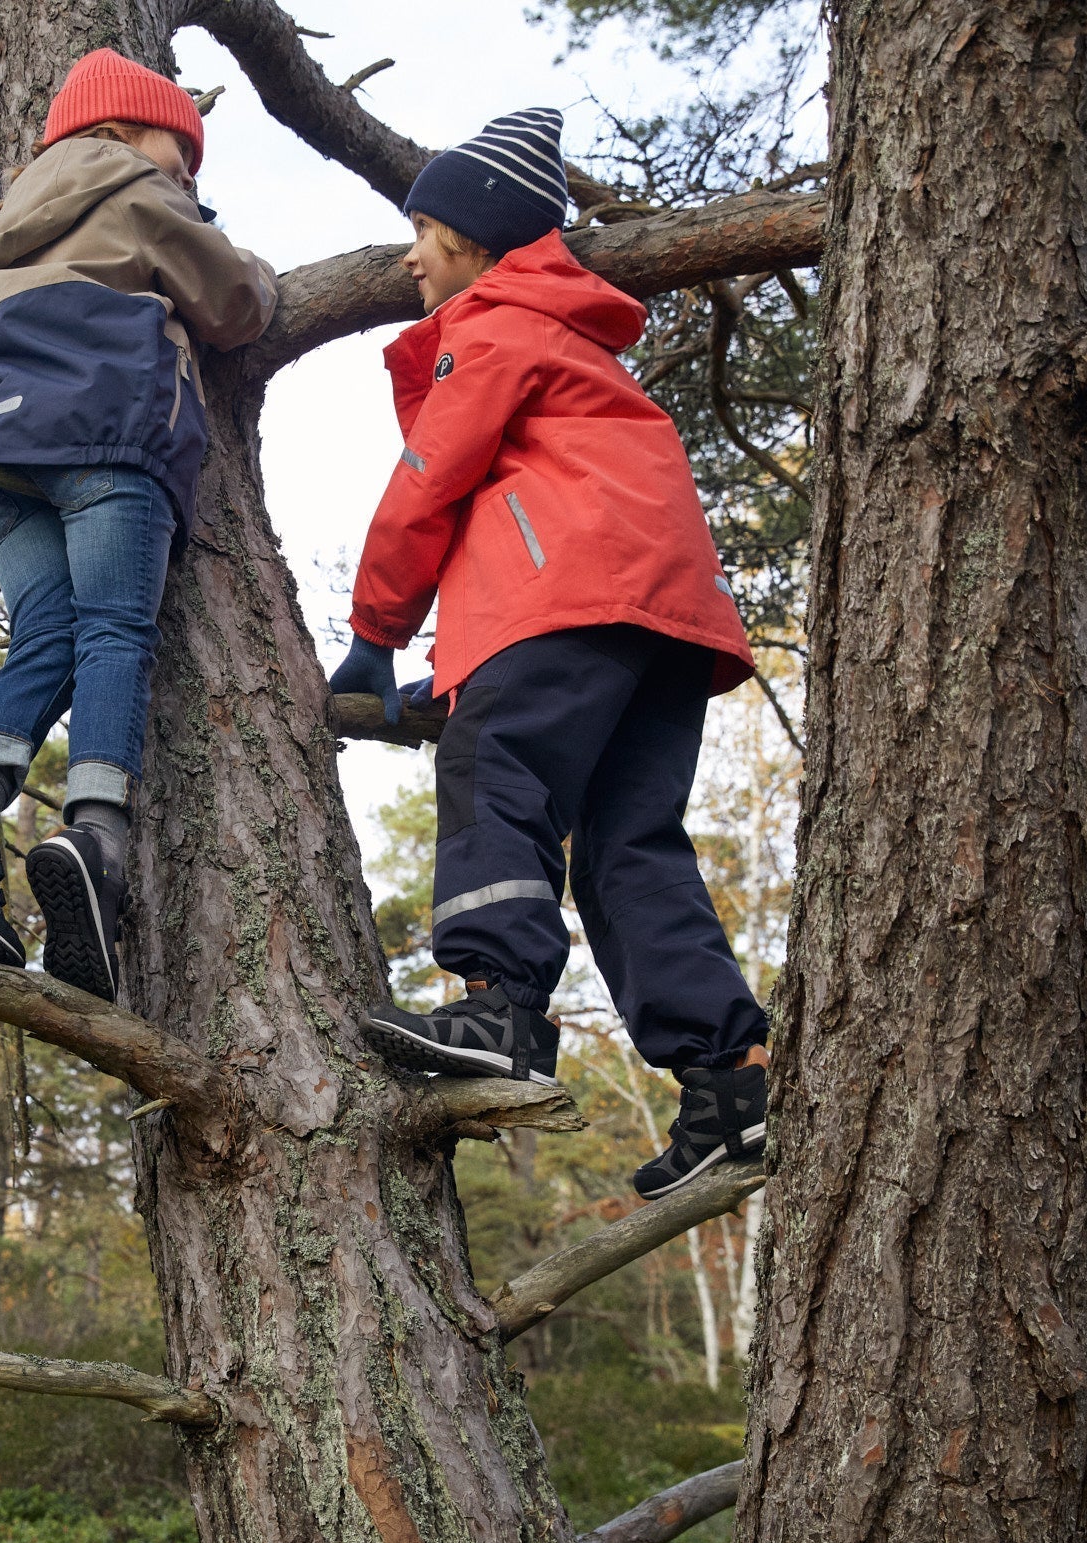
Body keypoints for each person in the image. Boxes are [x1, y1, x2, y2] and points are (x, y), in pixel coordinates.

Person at [326, 109, 772, 1201]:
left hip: (567, 597)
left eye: (423, 230)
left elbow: (432, 479)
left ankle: (500, 1007)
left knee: (496, 767)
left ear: (477, 240)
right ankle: (729, 1083)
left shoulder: (499, 323)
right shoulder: (576, 346)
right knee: (630, 844)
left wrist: (377, 633)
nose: (408, 255)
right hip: (661, 625)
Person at [0, 47, 277, 1003]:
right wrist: (262, 274)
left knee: (49, 637)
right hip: (107, 437)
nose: (188, 177)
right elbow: (231, 303)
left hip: (3, 460)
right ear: (119, 133)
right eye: (180, 152)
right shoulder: (135, 187)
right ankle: (96, 834)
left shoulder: (4, 226)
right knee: (116, 631)